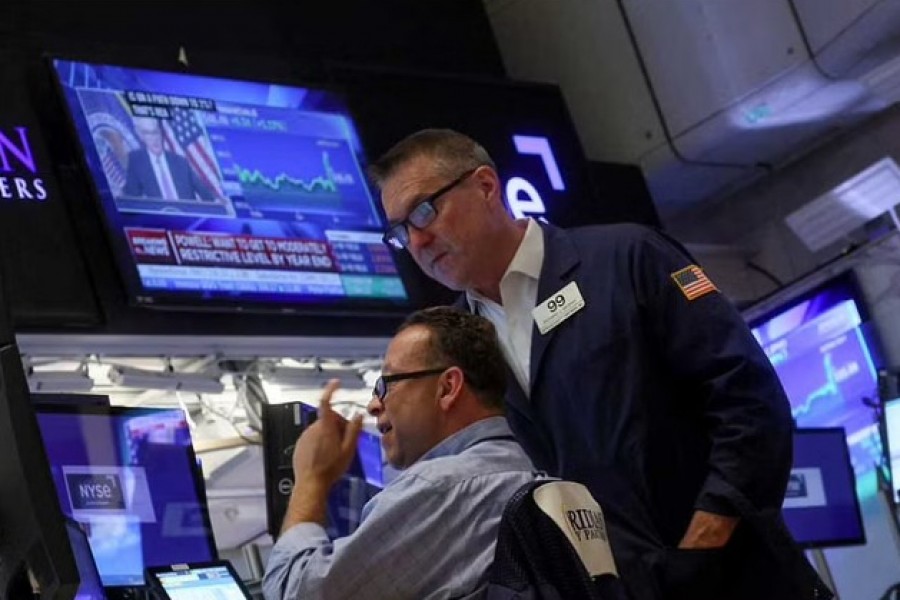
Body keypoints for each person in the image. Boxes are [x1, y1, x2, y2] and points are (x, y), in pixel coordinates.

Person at [368, 129, 831, 600]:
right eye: (401, 231)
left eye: (425, 211)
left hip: (731, 579)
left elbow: (749, 402)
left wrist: (704, 547)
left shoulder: (626, 260)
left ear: (486, 186)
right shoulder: (456, 349)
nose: (418, 240)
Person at [263, 307, 539, 600]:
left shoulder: (440, 487)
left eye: (387, 384)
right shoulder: (525, 466)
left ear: (447, 388)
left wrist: (311, 480)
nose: (373, 405)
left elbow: (295, 592)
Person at [122, 116, 216, 201]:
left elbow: (206, 194)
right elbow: (131, 197)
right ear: (140, 135)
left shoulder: (180, 162)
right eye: (148, 133)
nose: (154, 138)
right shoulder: (136, 161)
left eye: (156, 132)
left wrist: (219, 203)